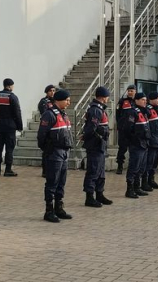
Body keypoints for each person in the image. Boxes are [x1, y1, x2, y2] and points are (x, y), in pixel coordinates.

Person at [37, 89, 74, 223]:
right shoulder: (49, 114)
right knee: (52, 182)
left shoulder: (64, 115)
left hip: (64, 152)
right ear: (58, 100)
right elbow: (41, 136)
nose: (69, 103)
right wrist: (48, 150)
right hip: (54, 152)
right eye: (66, 100)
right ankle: (49, 210)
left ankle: (59, 207)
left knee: (61, 182)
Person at [81, 86, 113, 208]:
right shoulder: (96, 110)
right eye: (107, 96)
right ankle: (89, 197)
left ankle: (99, 194)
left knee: (100, 171)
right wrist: (91, 137)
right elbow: (91, 128)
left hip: (100, 145)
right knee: (93, 170)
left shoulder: (99, 108)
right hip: (95, 144)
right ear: (103, 97)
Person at [0, 78, 22, 177]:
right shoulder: (13, 97)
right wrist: (19, 126)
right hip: (10, 127)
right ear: (9, 86)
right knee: (9, 148)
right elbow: (17, 112)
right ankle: (8, 169)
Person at [124, 92, 150, 199]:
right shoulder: (132, 112)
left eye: (145, 100)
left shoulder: (144, 112)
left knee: (141, 168)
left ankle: (137, 187)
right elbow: (127, 130)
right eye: (142, 100)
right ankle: (129, 189)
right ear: (136, 100)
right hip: (136, 144)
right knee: (134, 167)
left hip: (144, 144)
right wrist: (135, 140)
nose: (145, 101)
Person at [144, 92, 158, 191]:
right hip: (152, 141)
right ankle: (145, 182)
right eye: (157, 98)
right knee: (149, 163)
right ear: (151, 99)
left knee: (155, 163)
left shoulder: (157, 110)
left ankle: (151, 180)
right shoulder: (148, 110)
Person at [115, 85, 137, 175]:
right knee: (122, 149)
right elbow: (117, 115)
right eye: (129, 91)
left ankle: (133, 167)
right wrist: (120, 125)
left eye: (132, 91)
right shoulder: (122, 101)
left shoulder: (137, 101)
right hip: (123, 130)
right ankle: (120, 166)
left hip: (134, 131)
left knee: (134, 149)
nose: (130, 92)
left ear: (135, 91)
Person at [37, 84, 56, 178]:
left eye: (53, 90)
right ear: (47, 92)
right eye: (50, 91)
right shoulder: (44, 101)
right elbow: (44, 112)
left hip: (55, 128)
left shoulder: (55, 101)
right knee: (46, 151)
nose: (52, 92)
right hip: (46, 126)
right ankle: (45, 170)